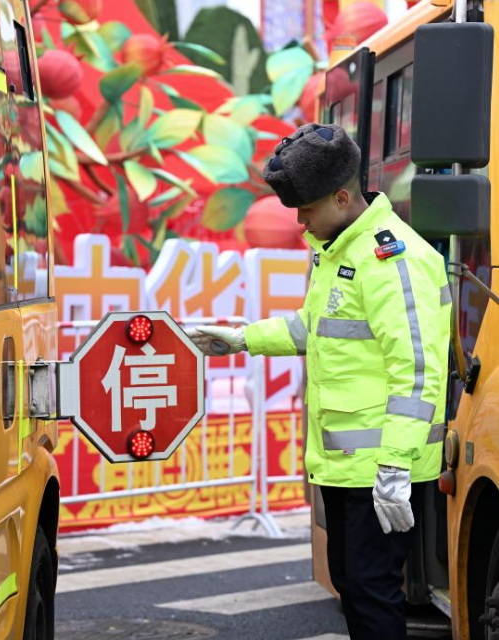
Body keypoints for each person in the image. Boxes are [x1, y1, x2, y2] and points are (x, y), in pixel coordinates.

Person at [188, 123, 450, 640]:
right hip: (347, 466)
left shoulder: (391, 259)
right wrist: (241, 338)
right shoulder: (339, 250)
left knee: (373, 591)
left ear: (342, 197)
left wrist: (395, 465)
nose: (301, 222)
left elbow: (418, 371)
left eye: (306, 209)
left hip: (381, 467)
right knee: (352, 584)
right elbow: (314, 327)